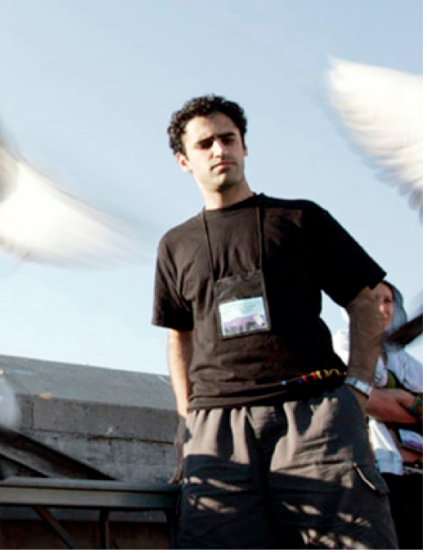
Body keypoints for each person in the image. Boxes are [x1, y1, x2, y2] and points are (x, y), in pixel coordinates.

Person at [152, 95, 397, 548]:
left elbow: (366, 302)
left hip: (315, 417)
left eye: (228, 139)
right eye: (205, 144)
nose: (219, 150)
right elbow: (179, 340)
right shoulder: (175, 245)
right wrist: (186, 425)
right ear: (185, 162)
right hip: (216, 430)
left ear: (245, 147)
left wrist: (358, 389)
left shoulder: (300, 218)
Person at [334, 280, 423, 549]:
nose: (382, 308)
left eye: (388, 301)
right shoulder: (340, 346)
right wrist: (410, 400)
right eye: (374, 300)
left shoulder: (408, 363)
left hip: (416, 474)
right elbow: (365, 400)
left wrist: (403, 399)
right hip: (374, 473)